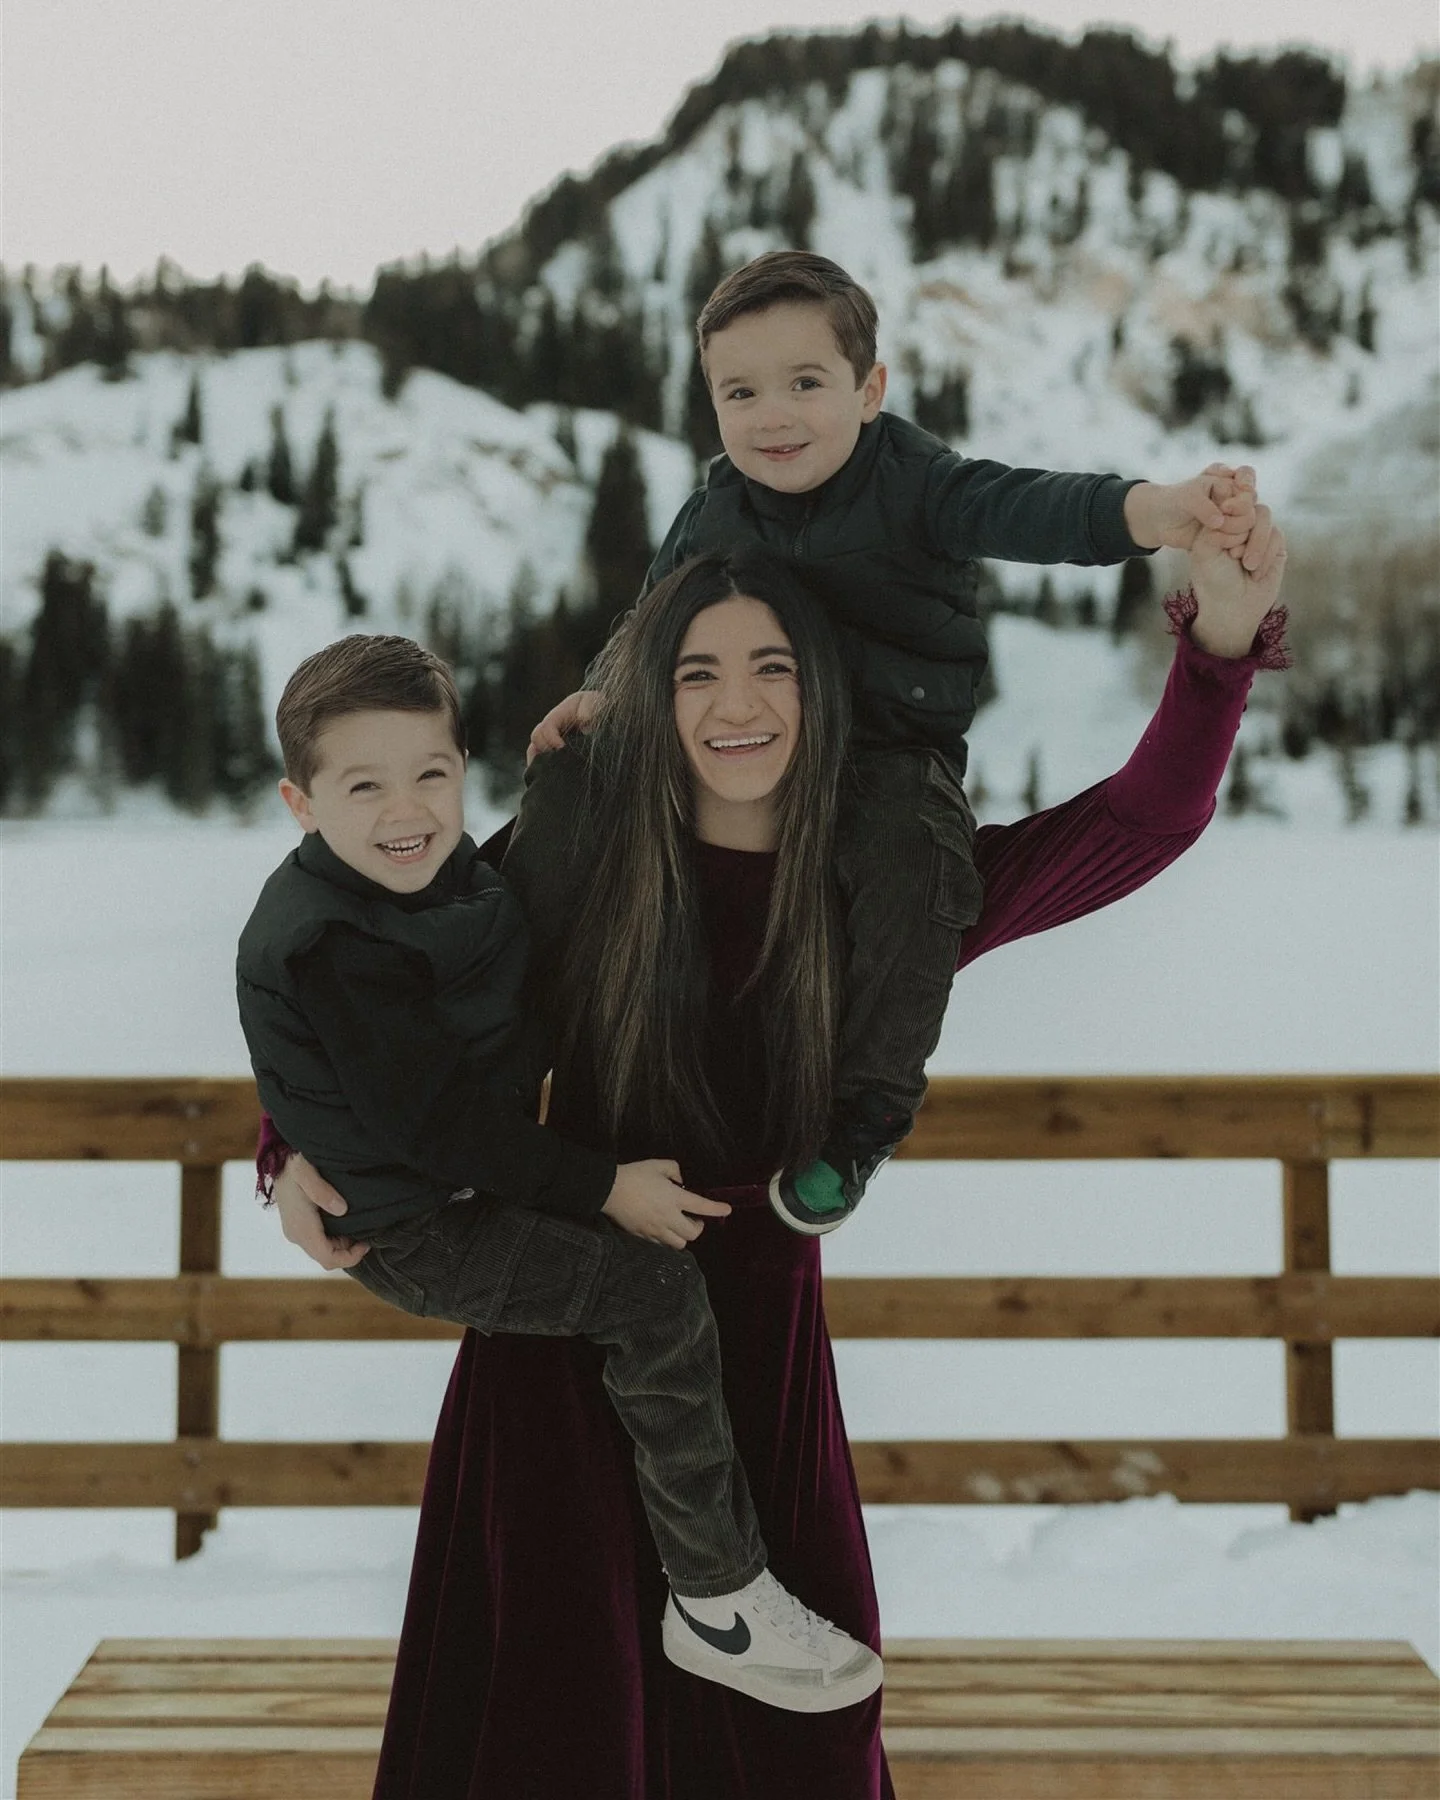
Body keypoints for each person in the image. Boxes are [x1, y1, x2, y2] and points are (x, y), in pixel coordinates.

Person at [268, 516, 1289, 1800]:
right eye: (697, 672)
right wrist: (286, 1146)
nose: (735, 705)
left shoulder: (885, 882)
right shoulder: (583, 849)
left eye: (772, 669)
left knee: (802, 1748)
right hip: (569, 1350)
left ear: (822, 684)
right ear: (654, 692)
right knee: (550, 1734)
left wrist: (1224, 649)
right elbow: (376, 977)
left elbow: (1142, 822)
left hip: (761, 1359)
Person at [530, 249, 1271, 1238]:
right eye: (739, 392)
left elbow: (1028, 506)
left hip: (889, 757)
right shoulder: (713, 514)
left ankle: (866, 1113)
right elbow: (652, 621)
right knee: (577, 773)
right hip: (566, 1312)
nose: (773, 415)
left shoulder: (915, 483)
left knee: (917, 858)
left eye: (806, 382)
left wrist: (1158, 516)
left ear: (871, 390)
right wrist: (601, 700)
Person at [235, 632, 883, 1713]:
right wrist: (604, 1186)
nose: (409, 814)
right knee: (650, 1294)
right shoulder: (333, 948)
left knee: (636, 1294)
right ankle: (718, 1598)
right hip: (419, 1225)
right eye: (366, 788)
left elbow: (508, 879)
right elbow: (437, 1123)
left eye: (432, 776)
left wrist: (572, 759)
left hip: (449, 1184)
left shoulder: (421, 884)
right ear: (302, 805)